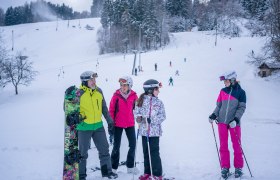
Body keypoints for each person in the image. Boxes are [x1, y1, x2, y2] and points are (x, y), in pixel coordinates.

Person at [77, 71, 118, 179]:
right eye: (91, 80)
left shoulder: (99, 91)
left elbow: (104, 108)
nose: (94, 81)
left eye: (95, 79)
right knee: (82, 154)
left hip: (98, 126)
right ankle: (81, 175)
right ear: (85, 81)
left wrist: (110, 121)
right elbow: (68, 108)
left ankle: (107, 172)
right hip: (84, 127)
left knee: (104, 150)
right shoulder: (78, 93)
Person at [209, 71, 246, 179]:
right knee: (223, 145)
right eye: (224, 81)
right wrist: (213, 115)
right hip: (222, 123)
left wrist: (236, 119)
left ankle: (238, 168)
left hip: (234, 123)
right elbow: (219, 106)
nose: (224, 83)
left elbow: (242, 108)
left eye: (226, 81)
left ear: (232, 80)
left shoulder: (241, 92)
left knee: (237, 145)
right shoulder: (222, 91)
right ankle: (225, 167)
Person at [135, 79, 166, 180]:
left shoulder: (159, 102)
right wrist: (138, 117)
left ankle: (157, 173)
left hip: (154, 132)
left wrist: (151, 119)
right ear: (150, 90)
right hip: (144, 131)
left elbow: (163, 116)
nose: (158, 91)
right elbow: (136, 111)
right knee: (146, 152)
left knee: (154, 152)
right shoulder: (141, 100)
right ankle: (147, 172)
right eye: (157, 89)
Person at [109, 76, 139, 174]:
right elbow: (111, 110)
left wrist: (139, 116)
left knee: (133, 144)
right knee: (116, 146)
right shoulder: (116, 96)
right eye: (121, 85)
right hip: (118, 124)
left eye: (125, 85)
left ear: (130, 85)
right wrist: (111, 123)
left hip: (130, 123)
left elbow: (138, 108)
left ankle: (130, 166)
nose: (123, 87)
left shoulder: (134, 96)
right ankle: (113, 167)